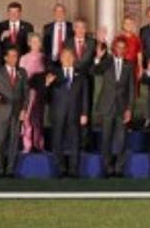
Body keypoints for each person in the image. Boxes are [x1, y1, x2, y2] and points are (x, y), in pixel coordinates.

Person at [93, 37, 135, 177]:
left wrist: (129, 109)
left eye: (123, 47)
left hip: (122, 108)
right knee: (106, 139)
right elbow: (95, 70)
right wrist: (98, 58)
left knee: (122, 139)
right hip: (107, 106)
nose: (121, 50)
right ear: (114, 48)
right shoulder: (107, 62)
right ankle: (108, 168)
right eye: (118, 47)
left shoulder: (129, 65)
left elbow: (131, 89)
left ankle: (119, 168)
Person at [46, 47, 90, 178]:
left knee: (75, 141)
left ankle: (73, 170)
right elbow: (46, 96)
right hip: (58, 113)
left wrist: (84, 113)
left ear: (74, 58)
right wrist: (47, 85)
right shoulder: (54, 74)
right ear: (60, 59)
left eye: (70, 56)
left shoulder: (81, 75)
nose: (67, 59)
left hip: (75, 113)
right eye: (64, 56)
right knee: (57, 141)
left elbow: (85, 96)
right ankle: (61, 169)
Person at [0, 45, 28, 177]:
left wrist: (24, 109)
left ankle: (10, 169)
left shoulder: (22, 72)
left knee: (14, 141)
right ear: (5, 58)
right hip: (2, 110)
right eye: (11, 56)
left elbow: (26, 93)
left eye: (15, 56)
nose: (13, 59)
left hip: (17, 111)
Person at [19, 32, 48, 152]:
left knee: (38, 119)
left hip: (40, 93)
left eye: (38, 42)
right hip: (27, 93)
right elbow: (21, 77)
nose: (35, 44)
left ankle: (39, 144)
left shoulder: (44, 58)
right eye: (33, 42)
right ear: (29, 43)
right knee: (27, 118)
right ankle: (27, 145)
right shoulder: (24, 58)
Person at [118, 15, 143, 89]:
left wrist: (140, 67)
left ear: (133, 25)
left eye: (130, 23)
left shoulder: (137, 39)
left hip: (134, 68)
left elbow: (139, 54)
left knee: (133, 90)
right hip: (121, 67)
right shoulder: (118, 38)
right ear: (123, 25)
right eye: (126, 23)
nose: (128, 25)